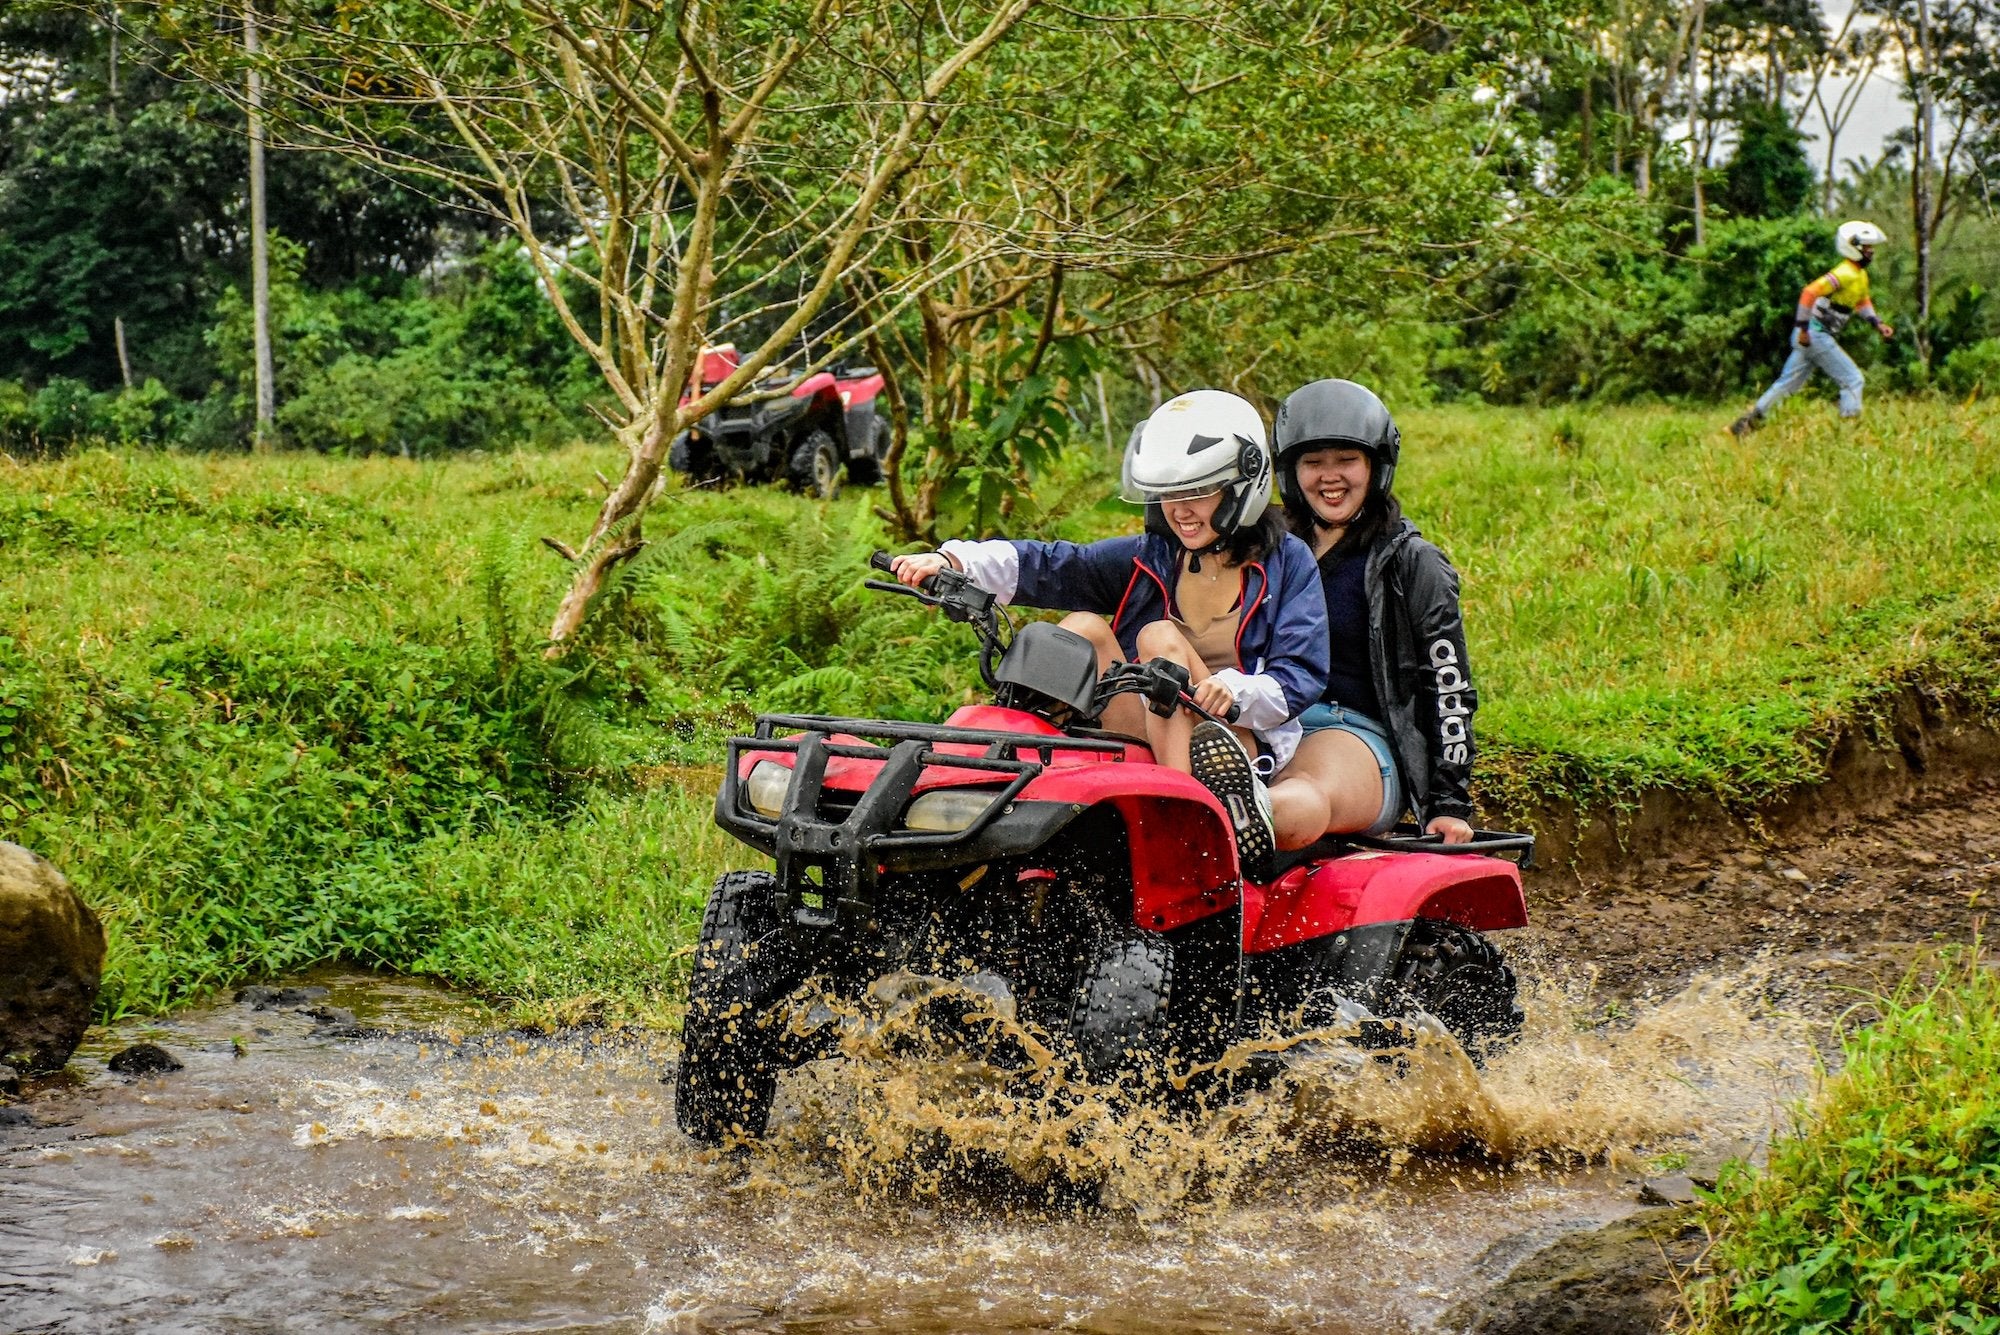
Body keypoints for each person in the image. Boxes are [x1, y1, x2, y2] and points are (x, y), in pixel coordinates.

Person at [890, 389, 1328, 872]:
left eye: (1198, 493)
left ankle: (1184, 817)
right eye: (1169, 493)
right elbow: (1056, 564)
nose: (1180, 510)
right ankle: (1017, 785)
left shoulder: (1289, 561)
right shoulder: (1153, 553)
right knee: (1078, 628)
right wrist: (954, 561)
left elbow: (1300, 675)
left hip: (1231, 741)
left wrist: (1231, 689)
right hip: (1150, 717)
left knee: (1156, 637)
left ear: (1243, 486)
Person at [1244, 378, 1479, 855]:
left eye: (1346, 460)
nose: (1330, 477)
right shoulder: (1262, 547)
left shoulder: (1413, 564)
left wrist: (1449, 802)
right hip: (1259, 722)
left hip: (1355, 741)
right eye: (1313, 462)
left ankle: (1245, 814)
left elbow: (1448, 684)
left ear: (1376, 466)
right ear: (1291, 472)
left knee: (1297, 798)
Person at [1730, 220, 1896, 435]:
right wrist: (1803, 329)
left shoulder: (1859, 275)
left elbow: (1861, 301)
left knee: (1788, 385)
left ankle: (1743, 427)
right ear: (1852, 247)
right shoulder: (1844, 272)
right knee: (1853, 379)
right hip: (1816, 334)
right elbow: (1809, 292)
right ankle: (1849, 432)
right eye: (1866, 247)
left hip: (1813, 334)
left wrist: (1877, 323)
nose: (1870, 251)